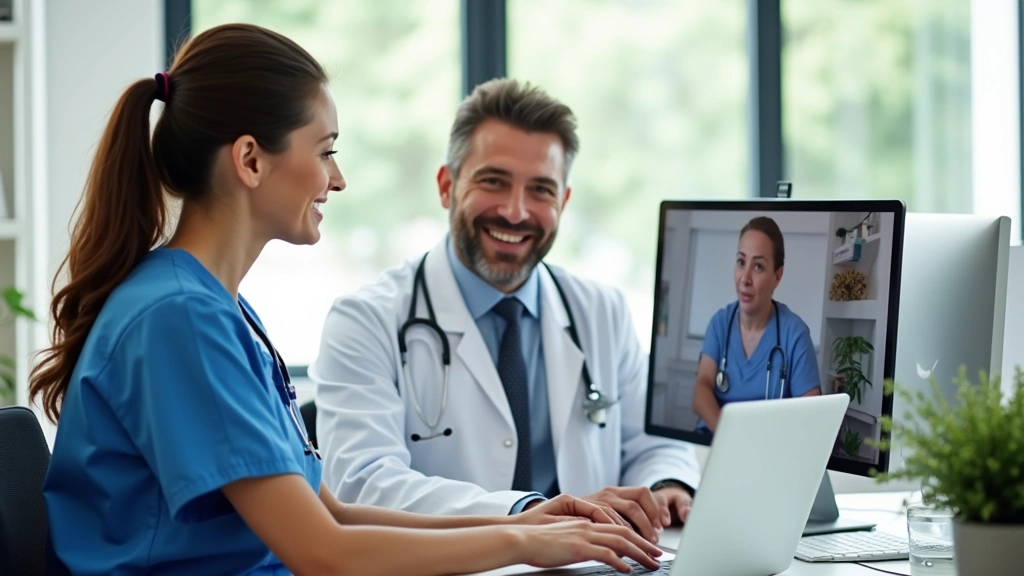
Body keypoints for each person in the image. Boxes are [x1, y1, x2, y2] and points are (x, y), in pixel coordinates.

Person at [31, 24, 664, 576]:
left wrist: (545, 527)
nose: (337, 177)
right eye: (326, 150)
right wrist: (524, 540)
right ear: (250, 160)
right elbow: (324, 555)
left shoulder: (213, 308)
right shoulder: (179, 319)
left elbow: (329, 511)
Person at [310, 78, 701, 544]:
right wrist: (529, 514)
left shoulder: (602, 311)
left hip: (593, 565)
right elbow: (363, 485)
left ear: (564, 201)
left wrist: (666, 486)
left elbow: (652, 443)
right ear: (445, 186)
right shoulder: (365, 321)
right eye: (493, 181)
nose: (516, 212)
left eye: (541, 190)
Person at [692, 216, 822, 436]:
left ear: (777, 277)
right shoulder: (720, 323)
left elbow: (813, 417)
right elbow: (701, 390)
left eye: (758, 266)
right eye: (741, 262)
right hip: (715, 442)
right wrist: (730, 439)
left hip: (767, 452)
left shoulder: (795, 334)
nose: (745, 278)